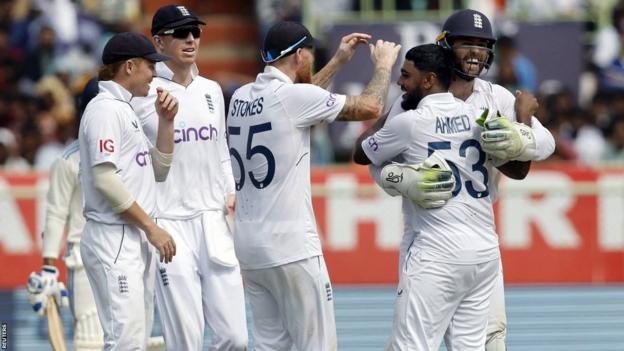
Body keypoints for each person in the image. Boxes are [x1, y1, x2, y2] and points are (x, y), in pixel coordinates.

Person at [360, 9, 556, 351]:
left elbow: (535, 153)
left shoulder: (495, 97)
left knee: (487, 339)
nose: (475, 53)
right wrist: (401, 178)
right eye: (467, 43)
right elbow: (375, 157)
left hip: (475, 233)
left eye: (482, 45)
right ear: (447, 46)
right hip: (435, 237)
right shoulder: (416, 99)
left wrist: (519, 135)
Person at [226, 21, 400, 350]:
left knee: (270, 345)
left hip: (250, 247)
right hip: (291, 246)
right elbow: (371, 106)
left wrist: (337, 62)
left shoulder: (241, 97)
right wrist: (383, 66)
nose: (313, 60)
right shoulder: (294, 99)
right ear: (299, 55)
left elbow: (300, 103)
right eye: (312, 54)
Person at [353, 43, 500, 350]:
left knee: (411, 346)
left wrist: (390, 172)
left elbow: (361, 152)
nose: (400, 82)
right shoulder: (479, 116)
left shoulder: (410, 122)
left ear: (429, 80)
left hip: (437, 251)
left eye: (406, 75)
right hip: (484, 252)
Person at [131, 5, 248, 350]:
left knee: (236, 339)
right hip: (170, 224)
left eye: (195, 32)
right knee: (185, 341)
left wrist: (231, 191)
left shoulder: (212, 90)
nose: (191, 39)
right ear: (158, 41)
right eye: (181, 33)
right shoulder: (143, 95)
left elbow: (221, 150)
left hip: (214, 221)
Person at [26, 79, 166, 350]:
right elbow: (56, 214)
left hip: (135, 248)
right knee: (90, 340)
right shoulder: (69, 160)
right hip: (84, 257)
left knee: (136, 335)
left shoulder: (131, 149)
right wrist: (48, 267)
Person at [78, 32, 178, 350]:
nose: (155, 73)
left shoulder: (123, 109)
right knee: (125, 341)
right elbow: (105, 180)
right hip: (115, 236)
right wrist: (151, 227)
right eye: (151, 65)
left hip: (130, 235)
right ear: (130, 67)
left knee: (135, 339)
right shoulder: (105, 110)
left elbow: (158, 170)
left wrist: (166, 123)